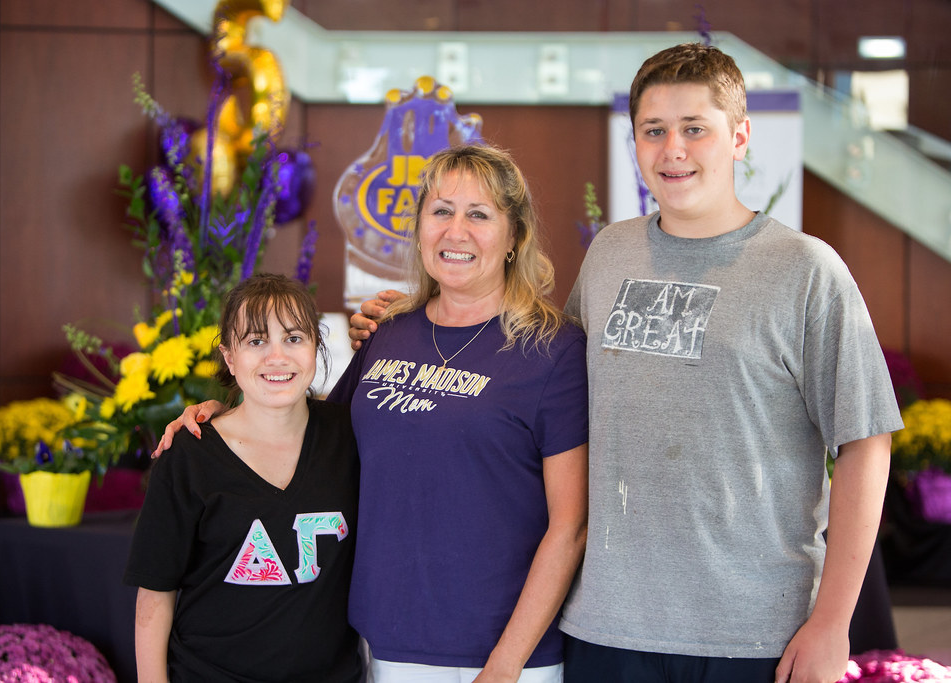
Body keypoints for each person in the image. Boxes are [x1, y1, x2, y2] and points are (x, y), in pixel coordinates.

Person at [351, 44, 903, 683]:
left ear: (740, 137)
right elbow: (530, 369)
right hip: (603, 629)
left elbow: (866, 442)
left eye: (695, 128)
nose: (673, 149)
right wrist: (410, 323)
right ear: (634, 142)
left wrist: (833, 621)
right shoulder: (611, 254)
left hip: (752, 632)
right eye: (654, 130)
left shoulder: (806, 271)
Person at [157, 144, 589, 682]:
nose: (456, 231)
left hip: (507, 654)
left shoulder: (552, 349)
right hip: (388, 641)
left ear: (514, 236)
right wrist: (227, 416)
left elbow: (570, 527)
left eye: (479, 215)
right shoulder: (388, 332)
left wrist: (504, 667)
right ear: (420, 228)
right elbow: (316, 433)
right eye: (441, 211)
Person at [125, 273, 362, 683]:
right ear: (230, 357)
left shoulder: (352, 436)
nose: (277, 357)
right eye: (256, 341)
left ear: (316, 347)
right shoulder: (190, 455)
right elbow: (155, 593)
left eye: (294, 338)